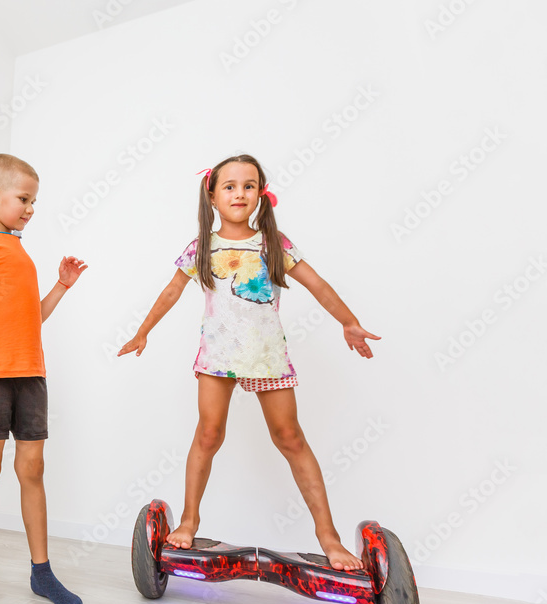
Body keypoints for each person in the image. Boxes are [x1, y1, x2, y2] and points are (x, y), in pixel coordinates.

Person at [119, 154, 379, 570]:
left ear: (260, 193)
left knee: (290, 438)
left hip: (266, 356)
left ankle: (328, 537)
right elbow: (170, 292)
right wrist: (143, 330)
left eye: (249, 185)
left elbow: (317, 284)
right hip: (218, 358)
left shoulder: (274, 244)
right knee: (208, 435)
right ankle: (188, 520)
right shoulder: (202, 247)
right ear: (212, 194)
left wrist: (349, 322)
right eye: (230, 186)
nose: (239, 193)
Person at [0, 154, 88, 604]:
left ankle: (42, 573)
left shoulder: (21, 252)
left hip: (32, 375)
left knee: (33, 468)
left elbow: (34, 319)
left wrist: (61, 287)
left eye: (34, 201)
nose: (31, 208)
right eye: (24, 199)